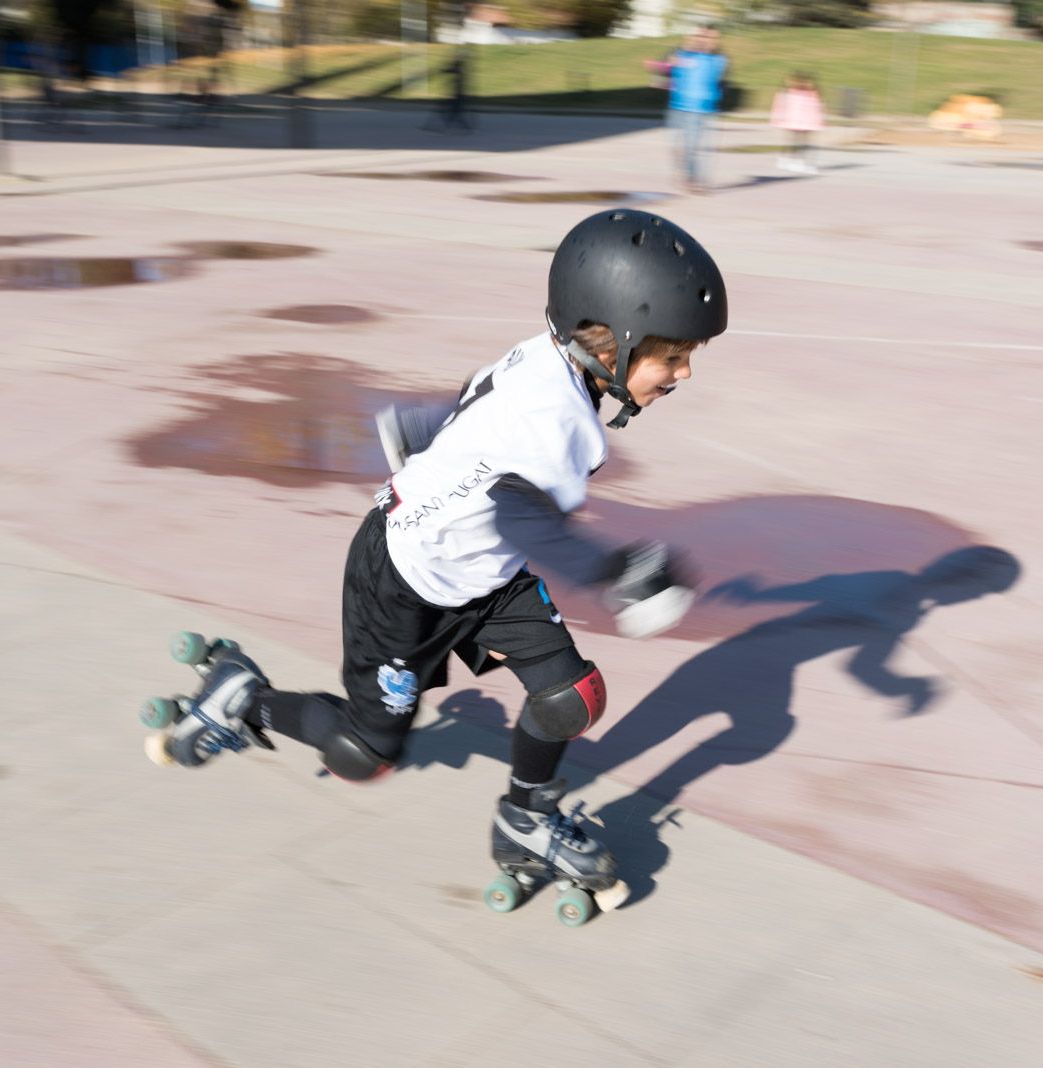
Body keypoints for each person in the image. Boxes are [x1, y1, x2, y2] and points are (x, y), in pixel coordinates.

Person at [148, 210, 728, 912]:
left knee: (572, 697)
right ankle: (244, 697)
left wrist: (425, 434)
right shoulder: (554, 424)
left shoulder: (546, 359)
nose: (684, 372)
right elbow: (522, 513)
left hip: (482, 572)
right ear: (614, 339)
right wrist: (617, 574)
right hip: (401, 582)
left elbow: (479, 411)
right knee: (366, 754)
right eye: (672, 355)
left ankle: (527, 817)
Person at [649, 26, 729, 194]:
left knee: (694, 148)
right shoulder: (682, 55)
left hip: (703, 109)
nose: (708, 41)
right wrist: (662, 78)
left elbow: (721, 82)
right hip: (678, 107)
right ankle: (686, 176)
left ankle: (696, 181)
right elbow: (664, 68)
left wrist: (716, 98)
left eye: (713, 39)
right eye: (704, 37)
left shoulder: (719, 59)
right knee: (678, 147)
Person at [769, 72, 824, 175]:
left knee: (802, 143)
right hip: (796, 122)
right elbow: (784, 106)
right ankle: (792, 161)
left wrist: (817, 121)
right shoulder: (793, 93)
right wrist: (779, 119)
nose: (809, 85)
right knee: (795, 142)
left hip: (806, 123)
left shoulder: (812, 94)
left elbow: (817, 108)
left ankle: (798, 162)